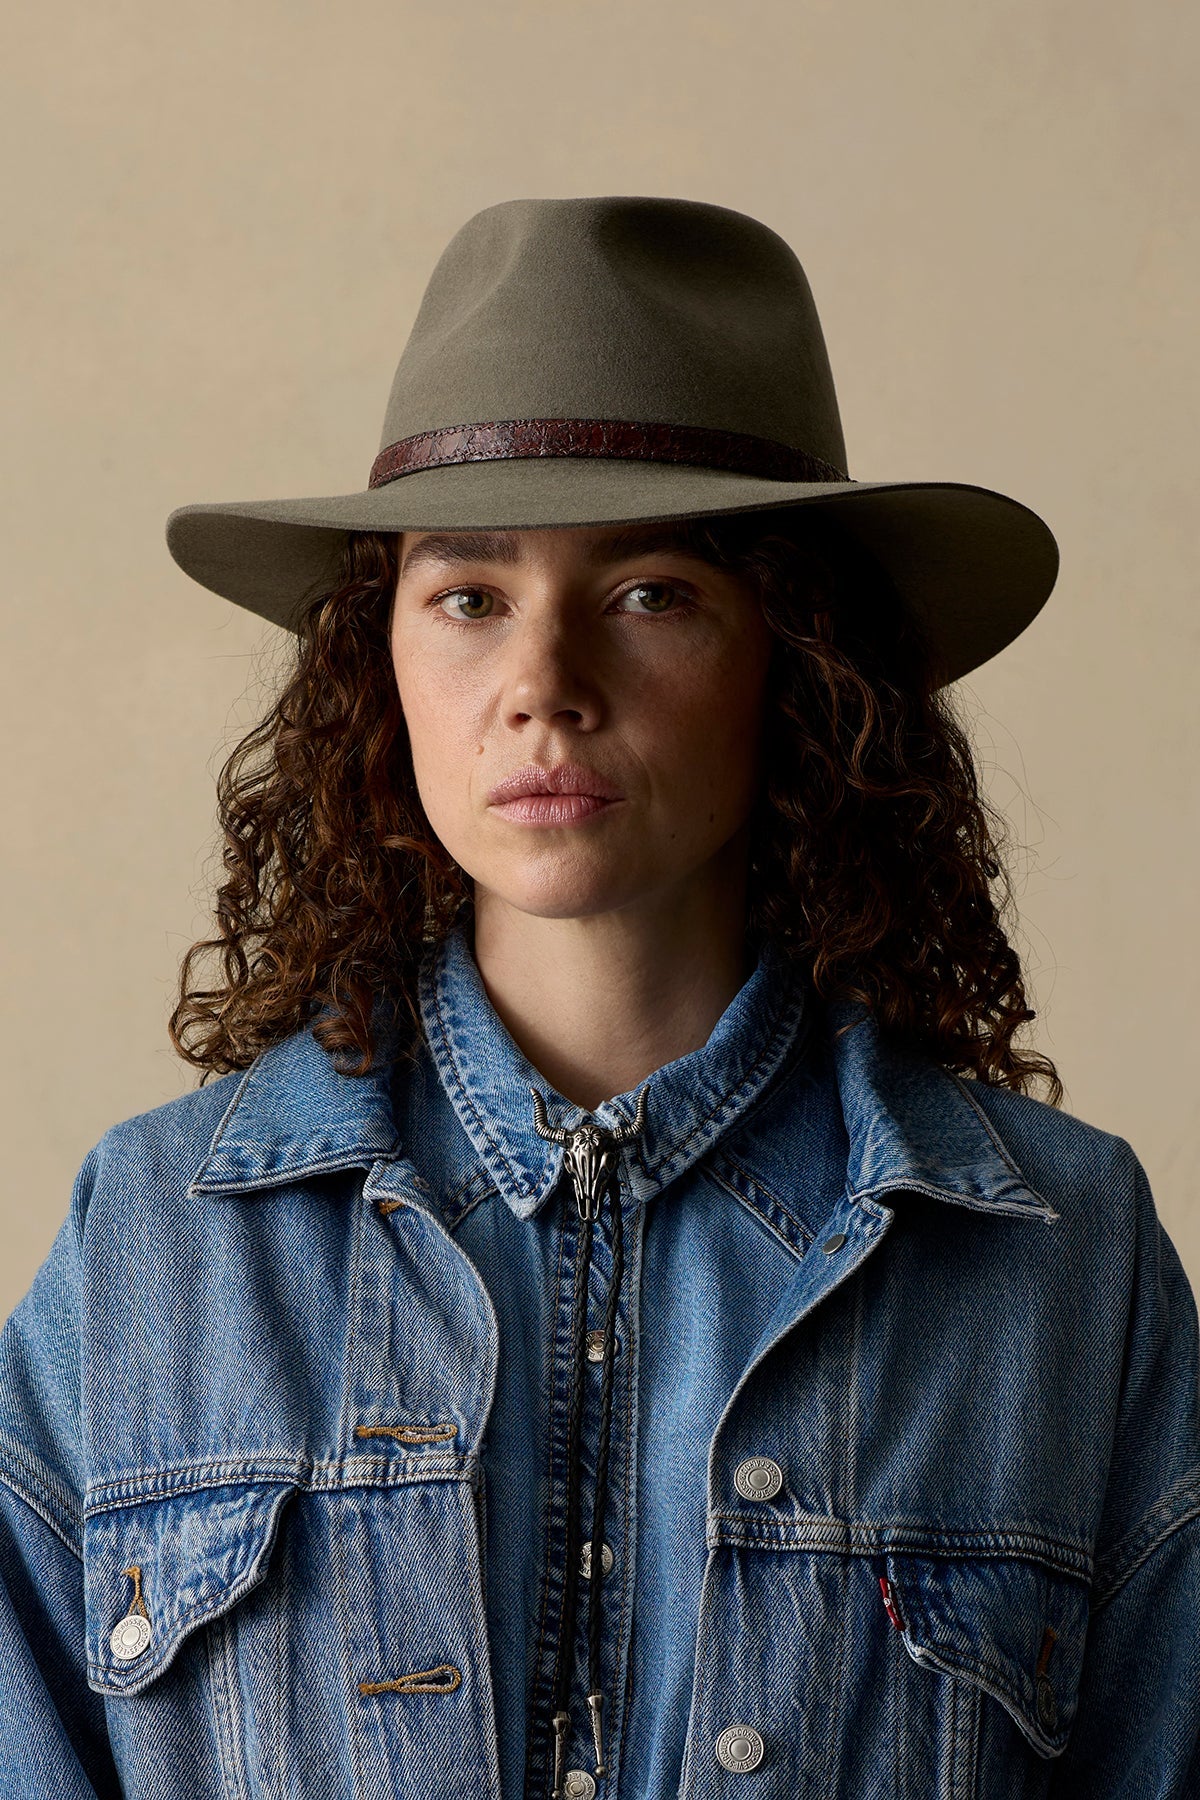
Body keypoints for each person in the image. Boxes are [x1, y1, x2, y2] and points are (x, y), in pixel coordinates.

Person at [0, 196, 1196, 1799]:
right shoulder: (153, 1242)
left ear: (804, 659)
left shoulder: (1063, 1263)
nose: (543, 682)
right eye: (469, 595)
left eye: (651, 592)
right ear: (383, 663)